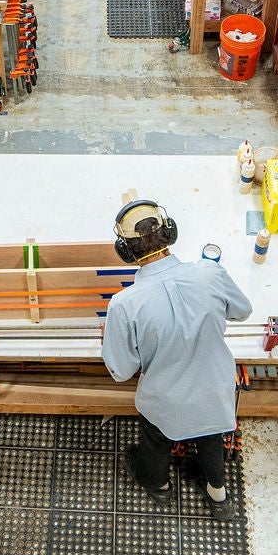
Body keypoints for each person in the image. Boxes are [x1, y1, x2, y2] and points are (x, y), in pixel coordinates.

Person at [101, 200, 252, 520]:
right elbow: (243, 311)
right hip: (215, 393)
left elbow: (121, 370)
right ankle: (218, 496)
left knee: (155, 441)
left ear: (126, 251)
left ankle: (158, 486)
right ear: (169, 233)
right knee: (211, 437)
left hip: (165, 403)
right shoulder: (210, 272)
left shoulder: (124, 305)